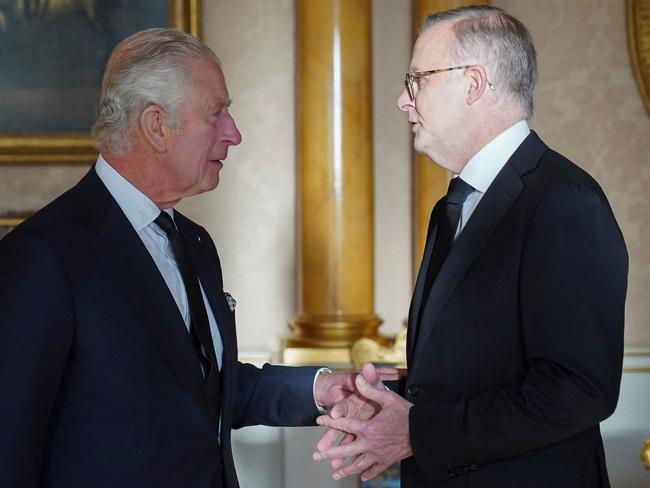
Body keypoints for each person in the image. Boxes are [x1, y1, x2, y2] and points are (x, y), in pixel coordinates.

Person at [0, 28, 362, 488]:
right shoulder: (43, 255)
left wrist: (322, 389)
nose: (234, 133)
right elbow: (8, 446)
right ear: (156, 125)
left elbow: (202, 388)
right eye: (217, 113)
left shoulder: (194, 242)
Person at [313, 6, 628, 487]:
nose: (403, 100)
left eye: (417, 79)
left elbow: (578, 390)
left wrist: (416, 430)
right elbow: (476, 365)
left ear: (473, 84)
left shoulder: (563, 200)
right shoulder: (454, 206)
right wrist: (392, 399)